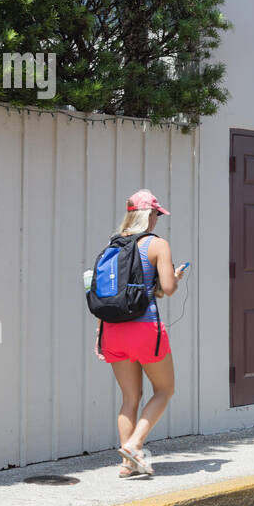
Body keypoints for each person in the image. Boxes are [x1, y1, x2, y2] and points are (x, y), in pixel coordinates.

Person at [98, 189, 185, 477]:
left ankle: (127, 464)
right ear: (149, 215)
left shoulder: (113, 246)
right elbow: (168, 289)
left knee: (129, 397)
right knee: (165, 389)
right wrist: (174, 276)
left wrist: (100, 336)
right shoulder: (157, 245)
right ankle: (135, 445)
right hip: (145, 329)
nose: (158, 219)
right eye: (157, 214)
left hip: (111, 329)